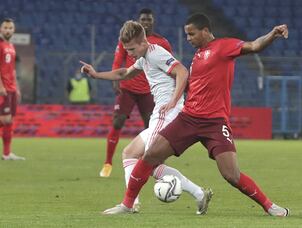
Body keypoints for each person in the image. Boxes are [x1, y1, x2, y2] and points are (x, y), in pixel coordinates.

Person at [110, 13, 290, 216]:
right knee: (150, 155)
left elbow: (254, 45)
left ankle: (270, 207)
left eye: (191, 34)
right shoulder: (197, 56)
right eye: (186, 35)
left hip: (214, 122)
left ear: (205, 31)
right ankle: (127, 205)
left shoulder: (224, 46)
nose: (188, 39)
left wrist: (272, 34)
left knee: (231, 175)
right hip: (188, 118)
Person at [80, 20, 213, 215]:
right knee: (129, 153)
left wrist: (173, 101)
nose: (129, 54)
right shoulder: (144, 58)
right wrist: (96, 74)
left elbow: (182, 72)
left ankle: (132, 204)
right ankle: (138, 203)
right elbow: (124, 73)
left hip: (166, 113)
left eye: (132, 49)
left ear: (143, 42)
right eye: (126, 50)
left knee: (148, 162)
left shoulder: (156, 53)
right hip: (161, 113)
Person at [100, 8, 174, 178]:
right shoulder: (127, 39)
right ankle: (108, 163)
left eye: (149, 19)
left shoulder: (162, 43)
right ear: (139, 21)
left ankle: (153, 163)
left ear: (153, 22)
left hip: (149, 91)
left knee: (152, 127)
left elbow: (169, 67)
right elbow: (118, 61)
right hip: (127, 88)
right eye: (143, 19)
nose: (146, 22)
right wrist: (115, 79)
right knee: (118, 122)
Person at [0, 18, 25, 161]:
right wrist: (1, 86)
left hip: (11, 88)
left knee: (9, 121)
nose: (8, 30)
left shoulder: (11, 46)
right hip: (3, 88)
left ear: (14, 30)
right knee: (5, 119)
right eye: (5, 27)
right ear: (1, 29)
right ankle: (7, 153)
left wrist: (17, 88)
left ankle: (7, 153)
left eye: (10, 28)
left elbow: (12, 70)